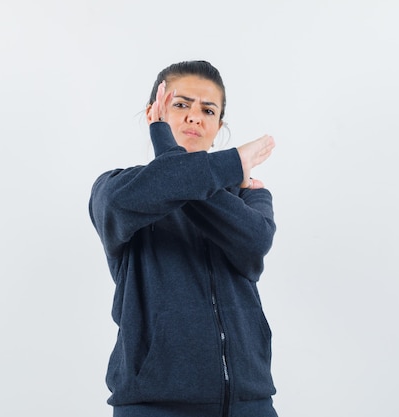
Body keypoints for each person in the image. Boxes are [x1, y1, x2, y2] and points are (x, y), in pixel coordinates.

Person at [89, 60, 278, 417]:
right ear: (154, 114)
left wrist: (226, 175)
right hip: (153, 406)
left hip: (249, 404)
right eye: (180, 104)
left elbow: (254, 244)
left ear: (218, 126)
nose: (194, 116)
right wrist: (233, 162)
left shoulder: (245, 197)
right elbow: (145, 193)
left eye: (208, 110)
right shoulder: (119, 188)